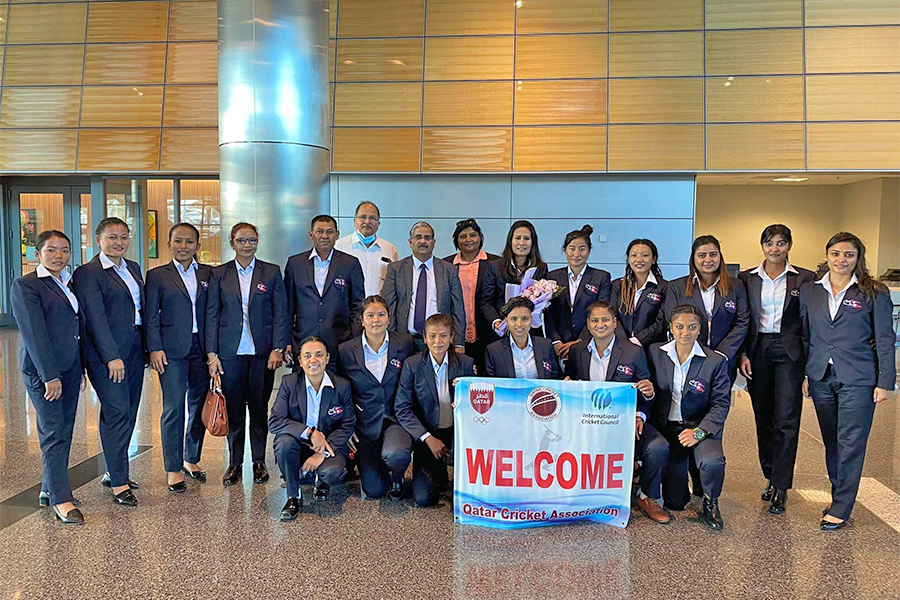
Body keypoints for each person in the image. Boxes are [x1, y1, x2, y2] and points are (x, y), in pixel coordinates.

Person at [800, 232, 896, 531]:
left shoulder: (874, 293)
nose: (842, 260)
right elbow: (806, 335)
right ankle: (839, 494)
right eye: (836, 254)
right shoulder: (810, 291)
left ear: (858, 258)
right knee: (832, 441)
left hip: (859, 377)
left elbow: (885, 339)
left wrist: (885, 381)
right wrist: (806, 373)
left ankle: (842, 505)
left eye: (849, 255)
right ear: (827, 255)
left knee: (851, 442)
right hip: (820, 375)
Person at [737, 224, 815, 514]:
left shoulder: (805, 278)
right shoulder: (746, 278)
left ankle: (782, 485)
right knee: (764, 417)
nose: (774, 249)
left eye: (780, 243)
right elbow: (743, 320)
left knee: (787, 419)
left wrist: (810, 367)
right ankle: (770, 475)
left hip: (790, 351)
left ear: (789, 246)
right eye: (769, 243)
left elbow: (810, 321)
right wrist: (743, 353)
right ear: (762, 246)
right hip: (758, 350)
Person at [206, 222, 290, 487]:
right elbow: (211, 315)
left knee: (258, 409)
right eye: (241, 240)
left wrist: (278, 348)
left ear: (257, 242)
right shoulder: (219, 274)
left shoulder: (271, 272)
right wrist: (212, 354)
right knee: (233, 411)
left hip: (262, 354)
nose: (247, 245)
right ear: (232, 242)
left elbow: (281, 313)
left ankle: (258, 462)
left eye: (252, 240)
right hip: (230, 354)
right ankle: (234, 463)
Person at [11, 231, 85, 524]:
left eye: (64, 250)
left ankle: (49, 487)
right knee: (53, 431)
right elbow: (34, 333)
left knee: (63, 430)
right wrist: (49, 376)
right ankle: (61, 499)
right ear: (37, 254)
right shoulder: (27, 285)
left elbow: (74, 329)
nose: (59, 256)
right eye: (52, 250)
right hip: (45, 371)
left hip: (69, 367)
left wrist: (78, 370)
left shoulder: (67, 282)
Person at [563, 301, 660, 522]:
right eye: (595, 320)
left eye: (605, 319)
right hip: (586, 422)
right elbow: (569, 384)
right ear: (587, 325)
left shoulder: (634, 352)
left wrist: (640, 413)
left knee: (658, 447)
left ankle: (647, 496)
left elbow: (646, 390)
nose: (600, 324)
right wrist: (566, 383)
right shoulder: (577, 351)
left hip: (623, 422)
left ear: (615, 323)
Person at [73, 217, 145, 507]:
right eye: (112, 237)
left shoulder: (133, 268)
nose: (119, 242)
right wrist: (111, 356)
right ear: (98, 239)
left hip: (135, 350)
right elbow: (95, 318)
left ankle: (115, 470)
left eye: (124, 237)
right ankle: (118, 482)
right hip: (108, 355)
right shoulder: (88, 273)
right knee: (116, 412)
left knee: (128, 411)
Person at [644, 304, 732, 530]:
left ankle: (711, 502)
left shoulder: (715, 361)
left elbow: (721, 404)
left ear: (699, 328)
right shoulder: (655, 352)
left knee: (712, 462)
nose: (685, 333)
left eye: (692, 327)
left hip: (699, 426)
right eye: (680, 327)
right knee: (676, 502)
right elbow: (649, 389)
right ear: (670, 328)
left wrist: (699, 432)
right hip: (668, 428)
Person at [145, 223, 213, 493]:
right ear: (169, 244)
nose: (183, 246)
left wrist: (213, 351)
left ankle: (191, 458)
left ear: (198, 246)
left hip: (201, 348)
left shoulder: (209, 274)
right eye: (178, 241)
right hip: (171, 351)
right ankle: (173, 467)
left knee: (199, 406)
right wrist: (154, 348)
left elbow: (215, 313)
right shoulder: (158, 275)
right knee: (173, 408)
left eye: (189, 242)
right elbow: (150, 316)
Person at [338, 296, 417, 500]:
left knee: (397, 454)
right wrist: (346, 427)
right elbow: (340, 391)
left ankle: (398, 477)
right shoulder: (346, 350)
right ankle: (378, 467)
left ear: (389, 318)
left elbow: (420, 371)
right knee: (374, 490)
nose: (376, 320)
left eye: (381, 315)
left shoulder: (405, 343)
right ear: (361, 320)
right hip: (364, 424)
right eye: (370, 315)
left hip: (395, 418)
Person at [269, 336, 355, 521]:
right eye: (307, 356)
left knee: (332, 472)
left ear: (327, 358)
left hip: (329, 445)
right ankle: (294, 495)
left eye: (319, 355)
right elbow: (274, 421)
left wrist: (321, 453)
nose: (313, 360)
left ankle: (321, 481)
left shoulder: (341, 386)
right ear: (300, 360)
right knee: (283, 443)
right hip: (297, 444)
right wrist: (310, 432)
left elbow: (348, 424)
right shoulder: (289, 383)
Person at [395, 314, 476, 507]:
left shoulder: (466, 363)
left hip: (457, 433)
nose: (437, 341)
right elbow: (402, 408)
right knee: (423, 499)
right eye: (432, 336)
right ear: (424, 338)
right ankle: (437, 471)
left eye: (443, 336)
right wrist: (427, 438)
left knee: (466, 495)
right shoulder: (412, 365)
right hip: (428, 433)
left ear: (451, 337)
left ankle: (449, 472)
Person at [664, 235, 749, 383]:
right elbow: (670, 320)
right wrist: (697, 351)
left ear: (720, 257)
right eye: (702, 255)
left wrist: (722, 353)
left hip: (724, 358)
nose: (708, 260)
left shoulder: (736, 286)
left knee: (720, 402)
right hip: (689, 356)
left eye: (713, 254)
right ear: (694, 259)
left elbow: (742, 322)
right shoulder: (676, 287)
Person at [284, 214, 365, 367]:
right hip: (303, 341)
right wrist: (286, 340)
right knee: (302, 388)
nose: (325, 236)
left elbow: (358, 306)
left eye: (330, 232)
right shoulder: (295, 264)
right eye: (320, 231)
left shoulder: (350, 263)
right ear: (311, 234)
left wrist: (353, 339)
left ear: (337, 235)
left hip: (340, 343)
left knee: (339, 387)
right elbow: (287, 307)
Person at [381, 221, 466, 352]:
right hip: (404, 340)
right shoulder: (396, 269)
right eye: (418, 237)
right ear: (410, 242)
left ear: (434, 242)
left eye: (427, 238)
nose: (423, 241)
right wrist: (391, 339)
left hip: (439, 342)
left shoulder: (449, 270)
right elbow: (389, 307)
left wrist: (459, 344)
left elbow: (458, 309)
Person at [546, 225, 611, 358]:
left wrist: (579, 341)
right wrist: (556, 341)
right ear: (565, 250)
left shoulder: (601, 277)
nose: (576, 254)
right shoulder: (553, 277)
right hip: (558, 346)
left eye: (582, 249)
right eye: (572, 249)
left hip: (589, 343)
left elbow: (601, 312)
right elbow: (548, 314)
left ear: (589, 251)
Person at [443, 218, 499, 373]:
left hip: (488, 333)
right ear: (456, 240)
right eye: (463, 236)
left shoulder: (495, 263)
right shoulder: (446, 265)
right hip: (456, 336)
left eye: (472, 235)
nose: (468, 240)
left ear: (480, 237)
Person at [481, 220, 548, 342]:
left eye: (526, 238)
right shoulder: (495, 267)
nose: (522, 243)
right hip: (502, 330)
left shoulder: (540, 268)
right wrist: (496, 321)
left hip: (530, 331)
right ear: (510, 241)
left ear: (533, 243)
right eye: (517, 238)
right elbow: (486, 302)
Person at [611, 239, 668, 348]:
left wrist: (637, 341)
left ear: (653, 259)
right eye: (634, 255)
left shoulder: (664, 287)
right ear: (628, 259)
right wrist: (625, 342)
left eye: (645, 255)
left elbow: (661, 321)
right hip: (621, 346)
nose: (639, 259)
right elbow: (613, 316)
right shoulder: (617, 285)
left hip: (652, 347)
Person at [335, 201, 400, 296]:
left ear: (378, 224)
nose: (367, 221)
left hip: (379, 308)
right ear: (354, 221)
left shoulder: (390, 249)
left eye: (372, 218)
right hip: (349, 308)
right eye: (363, 217)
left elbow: (396, 282)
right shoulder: (340, 246)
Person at [485, 297, 559, 379]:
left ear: (531, 319)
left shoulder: (546, 345)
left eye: (525, 318)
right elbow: (491, 385)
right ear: (506, 321)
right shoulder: (494, 350)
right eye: (514, 319)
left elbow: (554, 379)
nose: (519, 324)